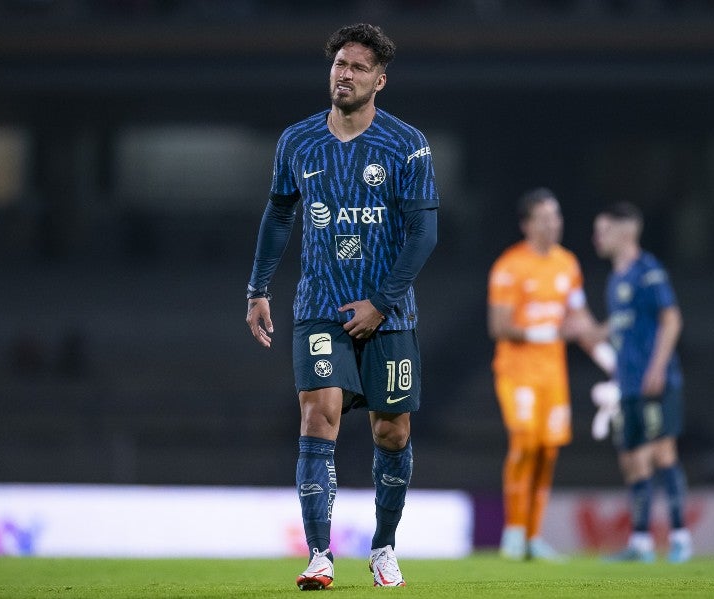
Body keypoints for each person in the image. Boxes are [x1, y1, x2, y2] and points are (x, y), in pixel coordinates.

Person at [245, 23, 439, 590]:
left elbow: (423, 236)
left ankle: (383, 546)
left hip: (390, 314)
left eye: (358, 67)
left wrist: (381, 303)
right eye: (339, 65)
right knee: (318, 415)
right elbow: (280, 215)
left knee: (392, 433)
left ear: (380, 79)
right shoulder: (298, 141)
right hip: (321, 308)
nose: (345, 74)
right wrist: (258, 288)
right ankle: (319, 556)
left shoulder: (408, 145)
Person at [487, 188, 616, 561]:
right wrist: (552, 333)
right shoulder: (509, 266)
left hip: (552, 373)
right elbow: (498, 326)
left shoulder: (567, 264)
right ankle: (513, 531)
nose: (552, 224)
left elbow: (579, 319)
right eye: (543, 218)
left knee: (548, 451)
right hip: (517, 371)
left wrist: (609, 358)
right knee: (525, 441)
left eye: (556, 216)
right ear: (527, 224)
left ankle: (532, 536)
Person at [592, 202, 692, 563]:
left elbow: (672, 319)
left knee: (663, 453)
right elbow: (619, 326)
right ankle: (641, 542)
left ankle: (681, 537)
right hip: (629, 386)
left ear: (625, 231)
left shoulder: (649, 271)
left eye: (603, 230)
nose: (596, 237)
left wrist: (657, 368)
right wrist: (586, 330)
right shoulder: (616, 278)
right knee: (631, 460)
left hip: (655, 382)